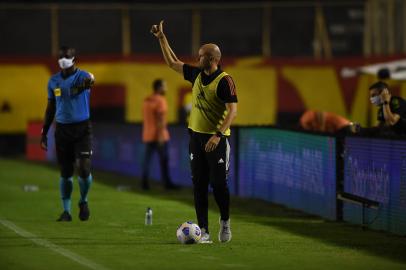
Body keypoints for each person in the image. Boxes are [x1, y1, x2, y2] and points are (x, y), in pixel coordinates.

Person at [151, 21, 238, 243]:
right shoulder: (196, 74)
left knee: (219, 186)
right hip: (195, 138)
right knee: (198, 185)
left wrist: (218, 135)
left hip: (216, 140)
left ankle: (225, 221)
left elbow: (233, 112)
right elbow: (172, 63)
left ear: (212, 59)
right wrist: (162, 38)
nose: (197, 58)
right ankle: (204, 230)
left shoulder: (224, 81)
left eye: (201, 56)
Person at [40, 46, 95, 222]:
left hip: (82, 128)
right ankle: (66, 211)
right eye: (60, 57)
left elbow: (90, 81)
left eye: (67, 56)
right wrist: (44, 132)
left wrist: (77, 88)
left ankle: (83, 201)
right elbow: (50, 108)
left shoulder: (83, 75)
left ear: (74, 59)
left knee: (84, 168)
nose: (63, 59)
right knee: (66, 171)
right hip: (62, 129)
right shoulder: (53, 81)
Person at [141, 79, 178, 190]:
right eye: (164, 86)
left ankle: (144, 183)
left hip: (147, 134)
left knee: (147, 160)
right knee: (164, 160)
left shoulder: (147, 100)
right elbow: (160, 119)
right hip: (159, 135)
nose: (166, 88)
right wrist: (161, 136)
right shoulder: (160, 100)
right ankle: (167, 183)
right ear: (159, 88)